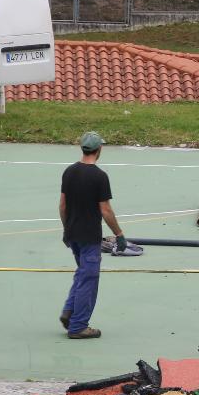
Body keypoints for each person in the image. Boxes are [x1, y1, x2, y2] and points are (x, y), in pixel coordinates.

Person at [59, 131, 125, 339]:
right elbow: (105, 210)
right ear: (99, 150)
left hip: (73, 235)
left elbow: (62, 205)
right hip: (89, 237)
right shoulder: (99, 176)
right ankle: (78, 326)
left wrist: (66, 229)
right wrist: (119, 234)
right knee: (89, 278)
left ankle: (69, 312)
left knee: (81, 273)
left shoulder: (69, 172)